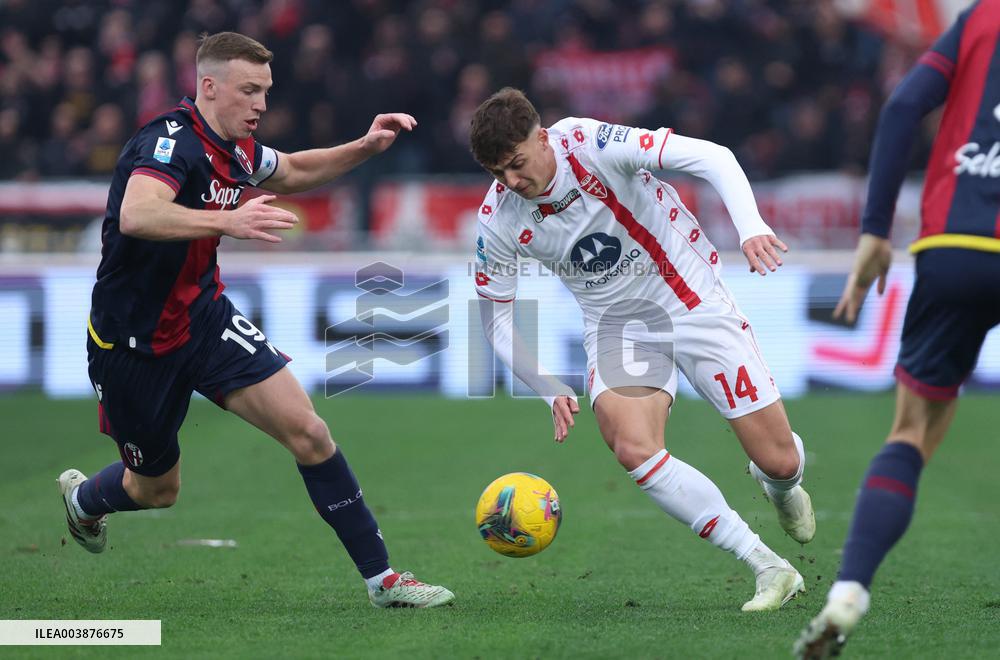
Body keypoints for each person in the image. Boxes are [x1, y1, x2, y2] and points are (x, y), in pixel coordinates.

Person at [59, 31, 453, 609]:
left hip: (204, 318)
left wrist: (365, 147)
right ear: (210, 87)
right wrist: (226, 222)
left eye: (265, 91)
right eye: (250, 90)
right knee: (156, 489)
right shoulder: (169, 142)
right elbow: (138, 213)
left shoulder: (239, 148)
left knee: (310, 432)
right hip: (133, 345)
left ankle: (383, 580)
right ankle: (86, 502)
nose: (261, 104)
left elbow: (291, 170)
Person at [470, 88, 815, 611]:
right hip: (618, 326)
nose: (512, 181)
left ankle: (782, 488)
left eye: (517, 164)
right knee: (633, 446)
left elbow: (714, 156)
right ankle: (767, 566)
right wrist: (545, 386)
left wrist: (751, 228)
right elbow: (493, 315)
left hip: (688, 296)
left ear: (543, 138)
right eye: (498, 173)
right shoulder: (499, 218)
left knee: (779, 460)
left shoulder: (593, 144)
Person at [795, 3, 1000, 656]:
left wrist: (875, 231)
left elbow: (901, 108)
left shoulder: (984, 17)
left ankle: (849, 590)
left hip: (957, 246)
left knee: (911, 433)